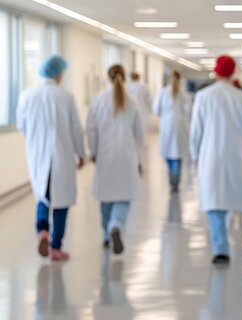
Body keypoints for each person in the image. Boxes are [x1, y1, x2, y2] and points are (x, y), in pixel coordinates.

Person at [16, 55, 86, 261]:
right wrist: (81, 154)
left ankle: (42, 231)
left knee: (42, 195)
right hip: (61, 155)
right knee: (62, 201)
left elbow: (22, 126)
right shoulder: (65, 97)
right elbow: (75, 129)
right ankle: (56, 247)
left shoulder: (26, 95)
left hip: (37, 155)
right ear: (58, 73)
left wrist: (36, 139)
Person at [190, 55, 242, 265]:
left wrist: (195, 157)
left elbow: (196, 131)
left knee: (214, 203)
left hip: (210, 157)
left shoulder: (203, 97)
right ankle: (226, 236)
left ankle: (221, 248)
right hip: (236, 158)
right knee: (231, 199)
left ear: (215, 71)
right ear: (233, 73)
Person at [87, 64, 145, 255]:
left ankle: (106, 235)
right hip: (127, 156)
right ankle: (116, 225)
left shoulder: (98, 101)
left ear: (108, 78)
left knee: (106, 198)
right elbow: (139, 135)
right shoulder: (133, 102)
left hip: (105, 155)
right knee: (122, 197)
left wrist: (93, 152)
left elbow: (92, 130)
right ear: (124, 78)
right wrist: (140, 160)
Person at [153, 70, 192, 192]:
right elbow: (188, 111)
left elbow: (156, 109)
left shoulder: (162, 92)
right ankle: (176, 179)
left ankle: (172, 175)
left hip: (166, 126)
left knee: (168, 153)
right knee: (178, 155)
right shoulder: (184, 94)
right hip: (180, 126)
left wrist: (164, 116)